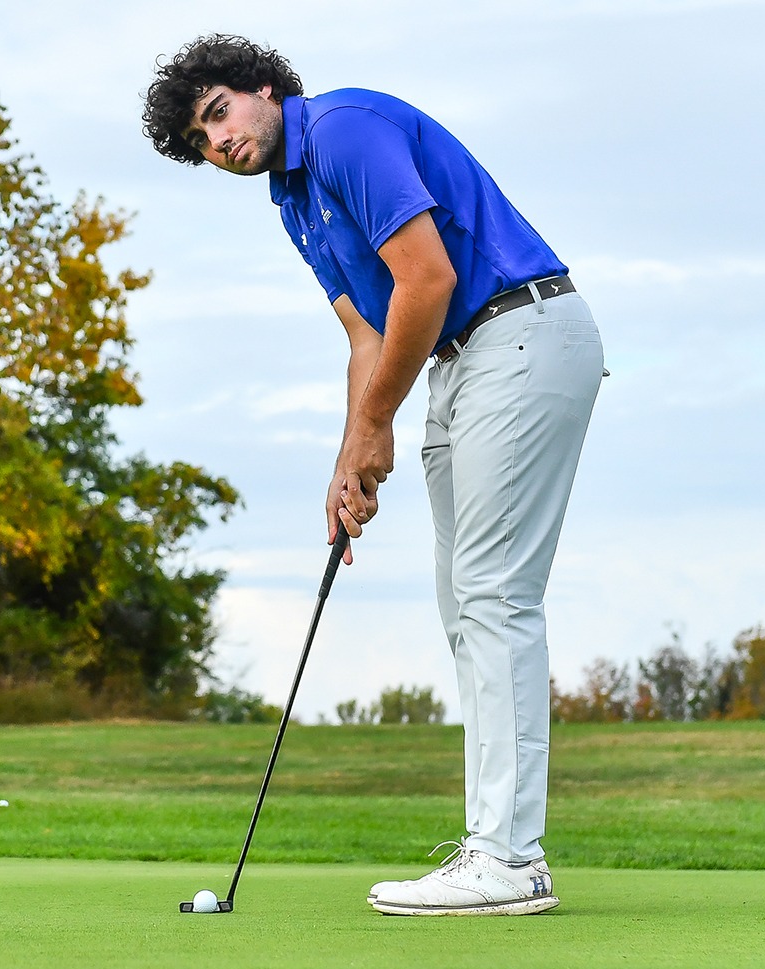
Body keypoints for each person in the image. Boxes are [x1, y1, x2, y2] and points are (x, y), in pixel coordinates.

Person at [143, 36, 604, 916]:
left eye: (219, 114)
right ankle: (497, 846)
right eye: (202, 143)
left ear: (263, 88)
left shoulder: (343, 131)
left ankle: (509, 857)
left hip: (521, 330)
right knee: (465, 605)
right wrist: (349, 457)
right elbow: (367, 334)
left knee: (494, 593)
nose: (220, 143)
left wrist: (375, 423)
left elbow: (426, 279)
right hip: (459, 362)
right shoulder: (292, 201)